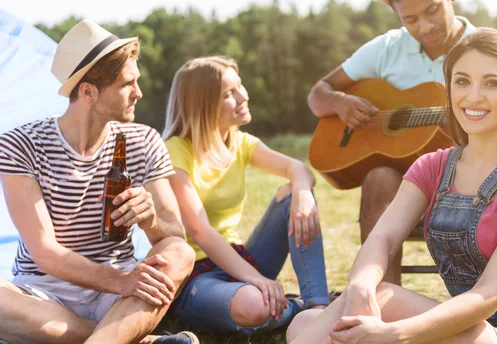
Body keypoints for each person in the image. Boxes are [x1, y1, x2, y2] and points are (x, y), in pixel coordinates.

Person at [287, 28, 497, 344]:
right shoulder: (434, 167)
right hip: (467, 325)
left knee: (373, 302)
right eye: (462, 81)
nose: (473, 96)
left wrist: (397, 334)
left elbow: (491, 292)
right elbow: (384, 238)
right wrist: (361, 285)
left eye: (492, 83)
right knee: (308, 320)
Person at [0, 20, 198, 344]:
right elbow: (45, 253)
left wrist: (150, 221)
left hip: (117, 296)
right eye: (127, 85)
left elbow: (174, 235)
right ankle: (128, 338)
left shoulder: (143, 141)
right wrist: (122, 283)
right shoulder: (19, 145)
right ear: (88, 91)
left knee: (179, 253)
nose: (139, 93)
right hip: (44, 294)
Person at [307, 0, 477, 285]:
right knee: (379, 176)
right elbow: (318, 93)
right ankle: (381, 296)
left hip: (469, 176)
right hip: (405, 184)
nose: (424, 27)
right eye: (410, 19)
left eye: (432, 10)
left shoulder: (487, 47)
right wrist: (339, 101)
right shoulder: (386, 48)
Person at [162, 56, 330, 335]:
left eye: (240, 86)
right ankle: (298, 308)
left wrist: (302, 192)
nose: (243, 96)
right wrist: (255, 279)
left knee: (293, 194)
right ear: (203, 104)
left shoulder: (240, 143)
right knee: (254, 307)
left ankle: (320, 306)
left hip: (239, 257)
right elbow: (200, 231)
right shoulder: (175, 150)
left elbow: (297, 168)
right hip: (195, 275)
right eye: (229, 93)